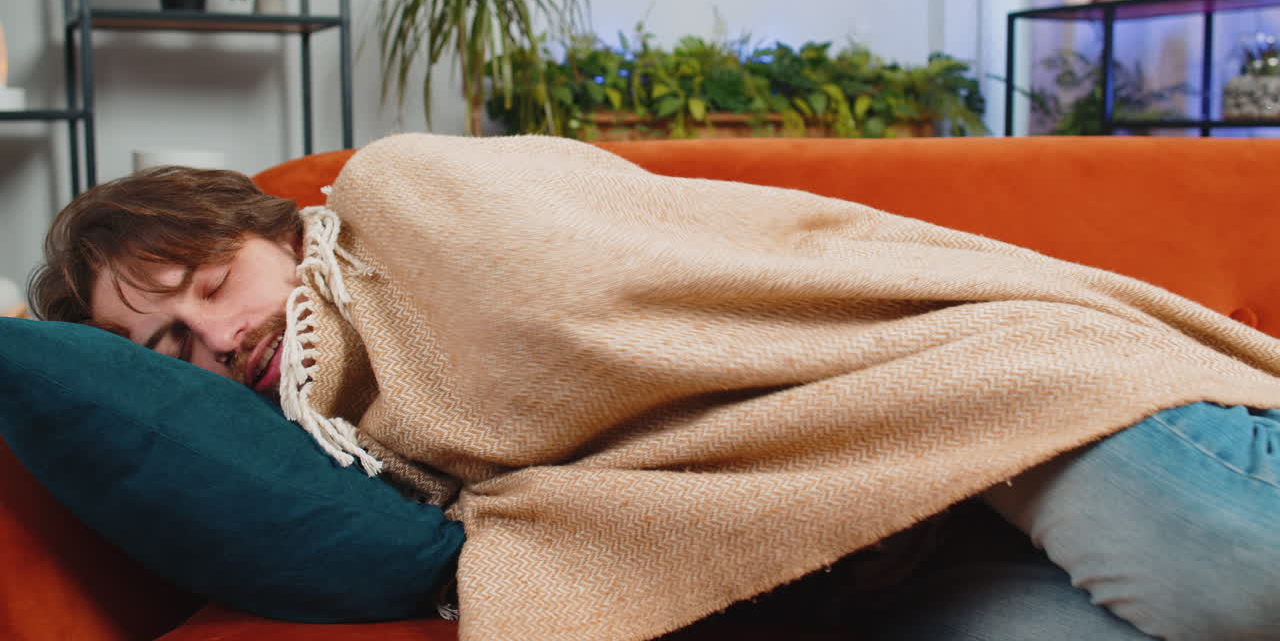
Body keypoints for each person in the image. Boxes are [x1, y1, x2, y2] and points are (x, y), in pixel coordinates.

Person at [27, 148, 1280, 641]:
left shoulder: (399, 199)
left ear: (272, 231)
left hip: (957, 381)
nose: (214, 337)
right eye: (166, 347)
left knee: (1236, 580)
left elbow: (613, 296)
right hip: (860, 548)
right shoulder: (343, 442)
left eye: (208, 284)